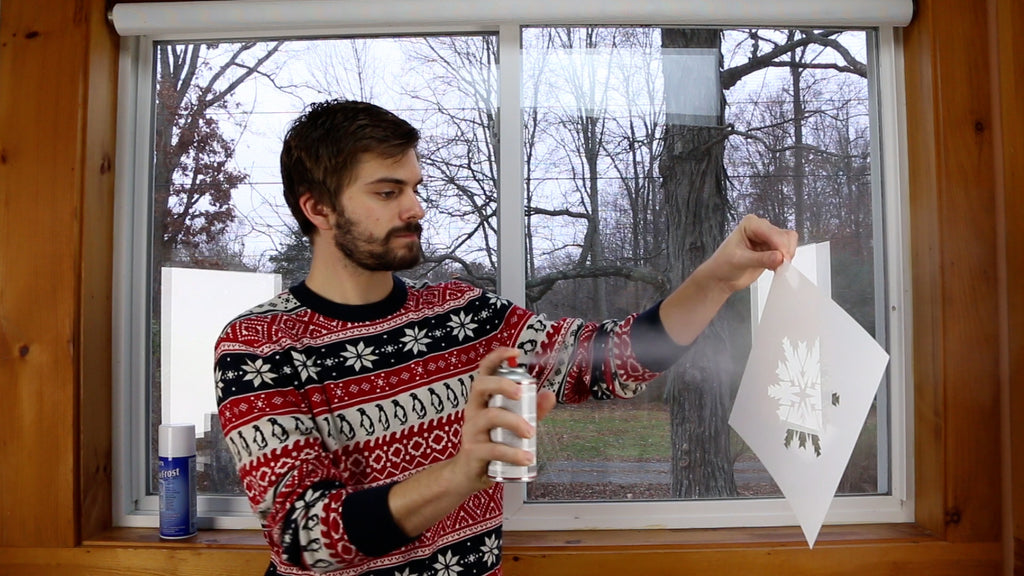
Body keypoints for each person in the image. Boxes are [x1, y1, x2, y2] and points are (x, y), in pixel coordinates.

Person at [214, 99, 798, 576]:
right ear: (316, 207)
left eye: (415, 187)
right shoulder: (257, 347)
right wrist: (461, 473)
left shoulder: (462, 315)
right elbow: (303, 536)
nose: (416, 208)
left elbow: (613, 359)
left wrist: (717, 277)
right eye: (388, 193)